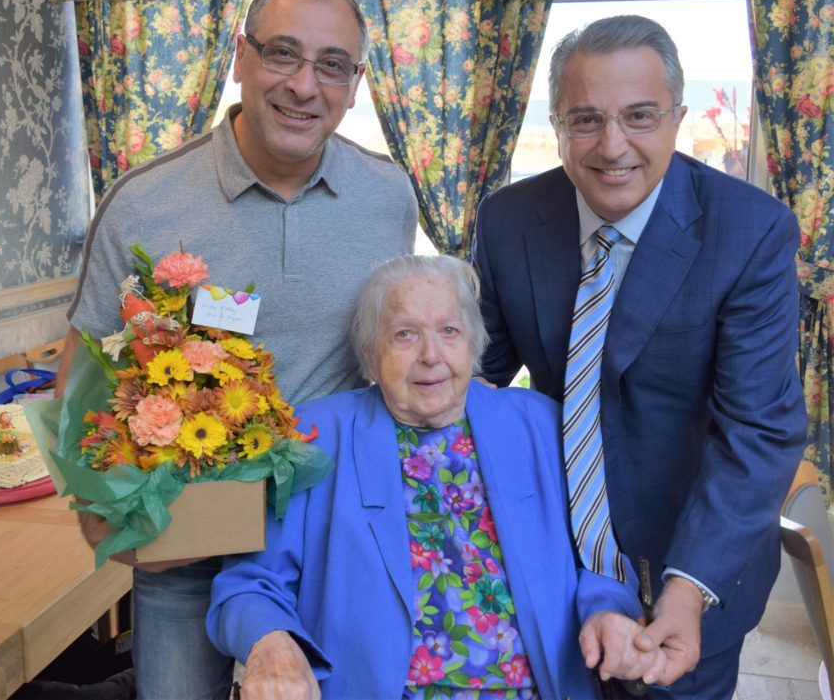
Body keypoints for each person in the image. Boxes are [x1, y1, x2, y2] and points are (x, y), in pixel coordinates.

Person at [59, 0, 418, 700]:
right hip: (187, 554)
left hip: (333, 546)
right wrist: (107, 520)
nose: (304, 86)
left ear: (355, 84)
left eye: (332, 65)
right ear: (239, 57)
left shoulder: (388, 197)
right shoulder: (144, 204)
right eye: (282, 53)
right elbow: (77, 392)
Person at [472, 14, 806, 699]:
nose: (612, 145)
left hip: (694, 571)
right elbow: (475, 376)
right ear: (556, 122)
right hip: (555, 564)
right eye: (586, 120)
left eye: (640, 116)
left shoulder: (750, 231)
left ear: (677, 117)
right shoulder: (507, 219)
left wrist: (687, 588)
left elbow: (760, 430)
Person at [208, 255, 666, 700]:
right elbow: (247, 586)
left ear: (474, 344)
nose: (431, 355)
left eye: (449, 331)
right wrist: (270, 643)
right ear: (370, 355)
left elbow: (600, 561)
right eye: (405, 335)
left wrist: (608, 611)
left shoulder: (541, 426)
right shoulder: (312, 437)